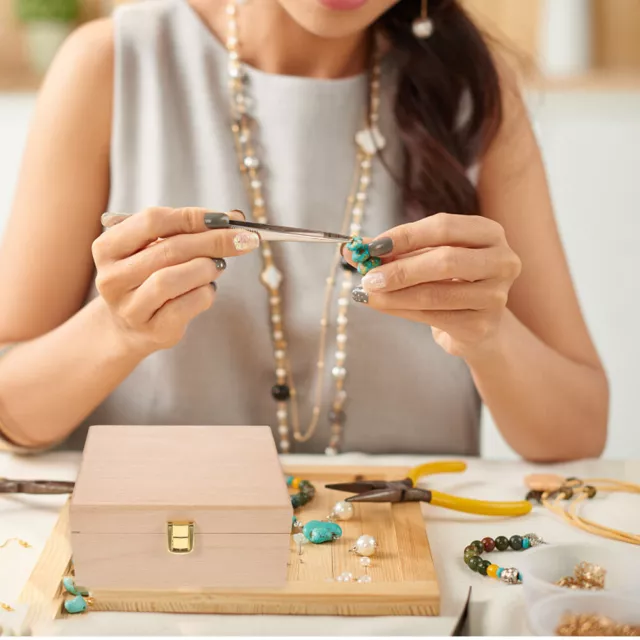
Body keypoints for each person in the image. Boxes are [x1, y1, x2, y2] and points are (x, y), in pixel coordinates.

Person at [0, 0, 608, 460]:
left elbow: (578, 435)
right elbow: (11, 410)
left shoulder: (473, 91)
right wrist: (115, 330)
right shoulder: (112, 65)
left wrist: (490, 334)